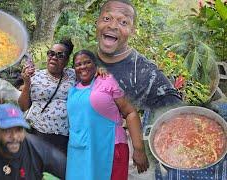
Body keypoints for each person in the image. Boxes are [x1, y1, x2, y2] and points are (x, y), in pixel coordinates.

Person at [96, 1, 226, 180]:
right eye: (107, 18)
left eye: (123, 22)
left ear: (132, 31)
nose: (113, 25)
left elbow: (171, 103)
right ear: (97, 22)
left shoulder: (144, 72)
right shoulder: (86, 61)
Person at [66, 50, 148, 180]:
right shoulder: (72, 89)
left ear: (95, 64)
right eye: (78, 64)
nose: (83, 67)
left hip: (111, 149)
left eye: (87, 62)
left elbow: (130, 112)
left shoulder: (108, 81)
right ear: (74, 69)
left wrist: (139, 149)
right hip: (81, 151)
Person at [0, 103, 66, 180]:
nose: (14, 137)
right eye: (7, 130)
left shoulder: (38, 148)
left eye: (19, 130)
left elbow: (73, 174)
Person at [18, 39, 76, 154]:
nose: (54, 57)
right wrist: (27, 83)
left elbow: (90, 72)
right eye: (51, 53)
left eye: (60, 55)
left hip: (63, 137)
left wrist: (100, 69)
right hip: (36, 133)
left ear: (67, 60)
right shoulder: (36, 76)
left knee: (57, 170)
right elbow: (23, 106)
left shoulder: (73, 75)